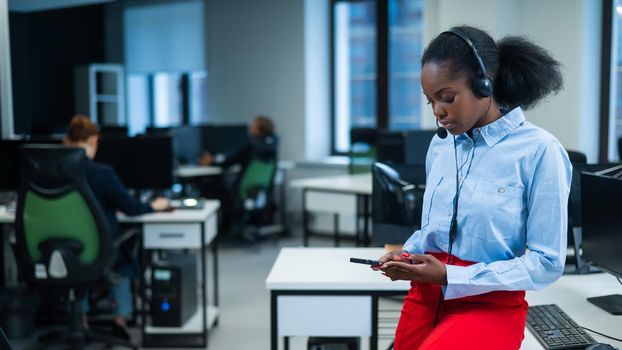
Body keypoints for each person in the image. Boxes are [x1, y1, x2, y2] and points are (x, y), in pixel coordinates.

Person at [372, 26, 571, 349]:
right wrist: (408, 254)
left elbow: (547, 263)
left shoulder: (539, 151)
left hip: (490, 304)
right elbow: (431, 230)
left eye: (447, 98)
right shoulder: (441, 147)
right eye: (430, 102)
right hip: (427, 297)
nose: (438, 112)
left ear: (484, 83)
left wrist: (452, 276)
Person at [63, 115, 170, 341]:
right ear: (93, 140)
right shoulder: (101, 173)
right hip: (99, 249)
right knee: (124, 259)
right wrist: (155, 206)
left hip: (61, 250)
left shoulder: (52, 171)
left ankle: (79, 320)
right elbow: (132, 208)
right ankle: (120, 319)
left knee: (77, 264)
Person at [198, 115, 276, 167]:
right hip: (259, 186)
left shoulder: (251, 144)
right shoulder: (273, 143)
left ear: (258, 129)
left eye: (252, 125)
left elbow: (228, 162)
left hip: (244, 187)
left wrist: (211, 162)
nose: (250, 128)